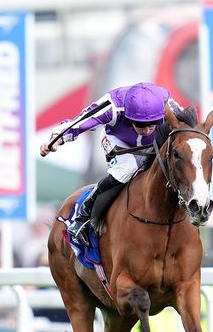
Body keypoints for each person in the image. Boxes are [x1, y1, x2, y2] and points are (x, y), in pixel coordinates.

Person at [40, 82, 178, 246]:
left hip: (155, 143)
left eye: (152, 124)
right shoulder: (113, 106)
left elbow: (189, 129)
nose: (147, 130)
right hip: (119, 142)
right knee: (127, 169)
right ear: (128, 116)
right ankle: (83, 214)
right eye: (140, 125)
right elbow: (82, 120)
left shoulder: (168, 106)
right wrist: (56, 139)